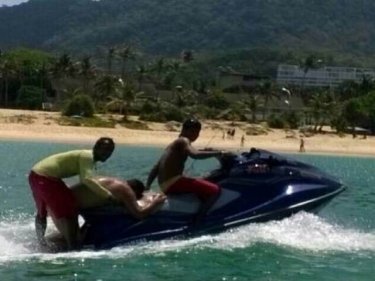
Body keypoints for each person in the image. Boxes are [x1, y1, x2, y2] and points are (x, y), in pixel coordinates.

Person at [28, 137, 116, 250]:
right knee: (70, 207)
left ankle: (41, 243)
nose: (107, 153)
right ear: (96, 148)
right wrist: (108, 196)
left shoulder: (88, 158)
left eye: (110, 151)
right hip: (46, 178)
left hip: (35, 175)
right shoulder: (87, 156)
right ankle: (73, 247)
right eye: (104, 150)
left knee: (42, 212)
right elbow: (87, 179)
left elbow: (87, 178)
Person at [146, 118, 228, 224]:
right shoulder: (183, 140)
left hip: (164, 185)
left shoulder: (172, 145)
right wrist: (219, 153)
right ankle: (200, 220)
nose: (196, 135)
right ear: (184, 130)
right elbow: (195, 155)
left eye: (198, 132)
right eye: (193, 131)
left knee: (202, 181)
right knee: (215, 190)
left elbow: (155, 168)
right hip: (174, 183)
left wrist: (147, 186)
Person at [72, 177, 167, 220]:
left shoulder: (114, 182)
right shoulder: (126, 190)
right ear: (134, 192)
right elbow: (139, 214)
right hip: (68, 204)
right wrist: (155, 202)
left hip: (64, 196)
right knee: (73, 246)